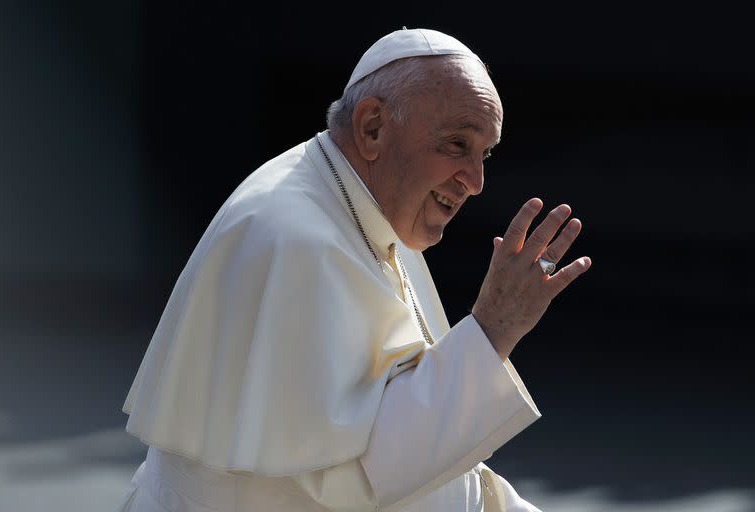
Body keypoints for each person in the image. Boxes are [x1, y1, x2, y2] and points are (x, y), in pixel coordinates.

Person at [117, 27, 591, 512]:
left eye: (484, 154)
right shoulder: (295, 239)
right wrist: (495, 326)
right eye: (456, 145)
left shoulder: (360, 206)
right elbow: (363, 477)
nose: (475, 182)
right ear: (372, 129)